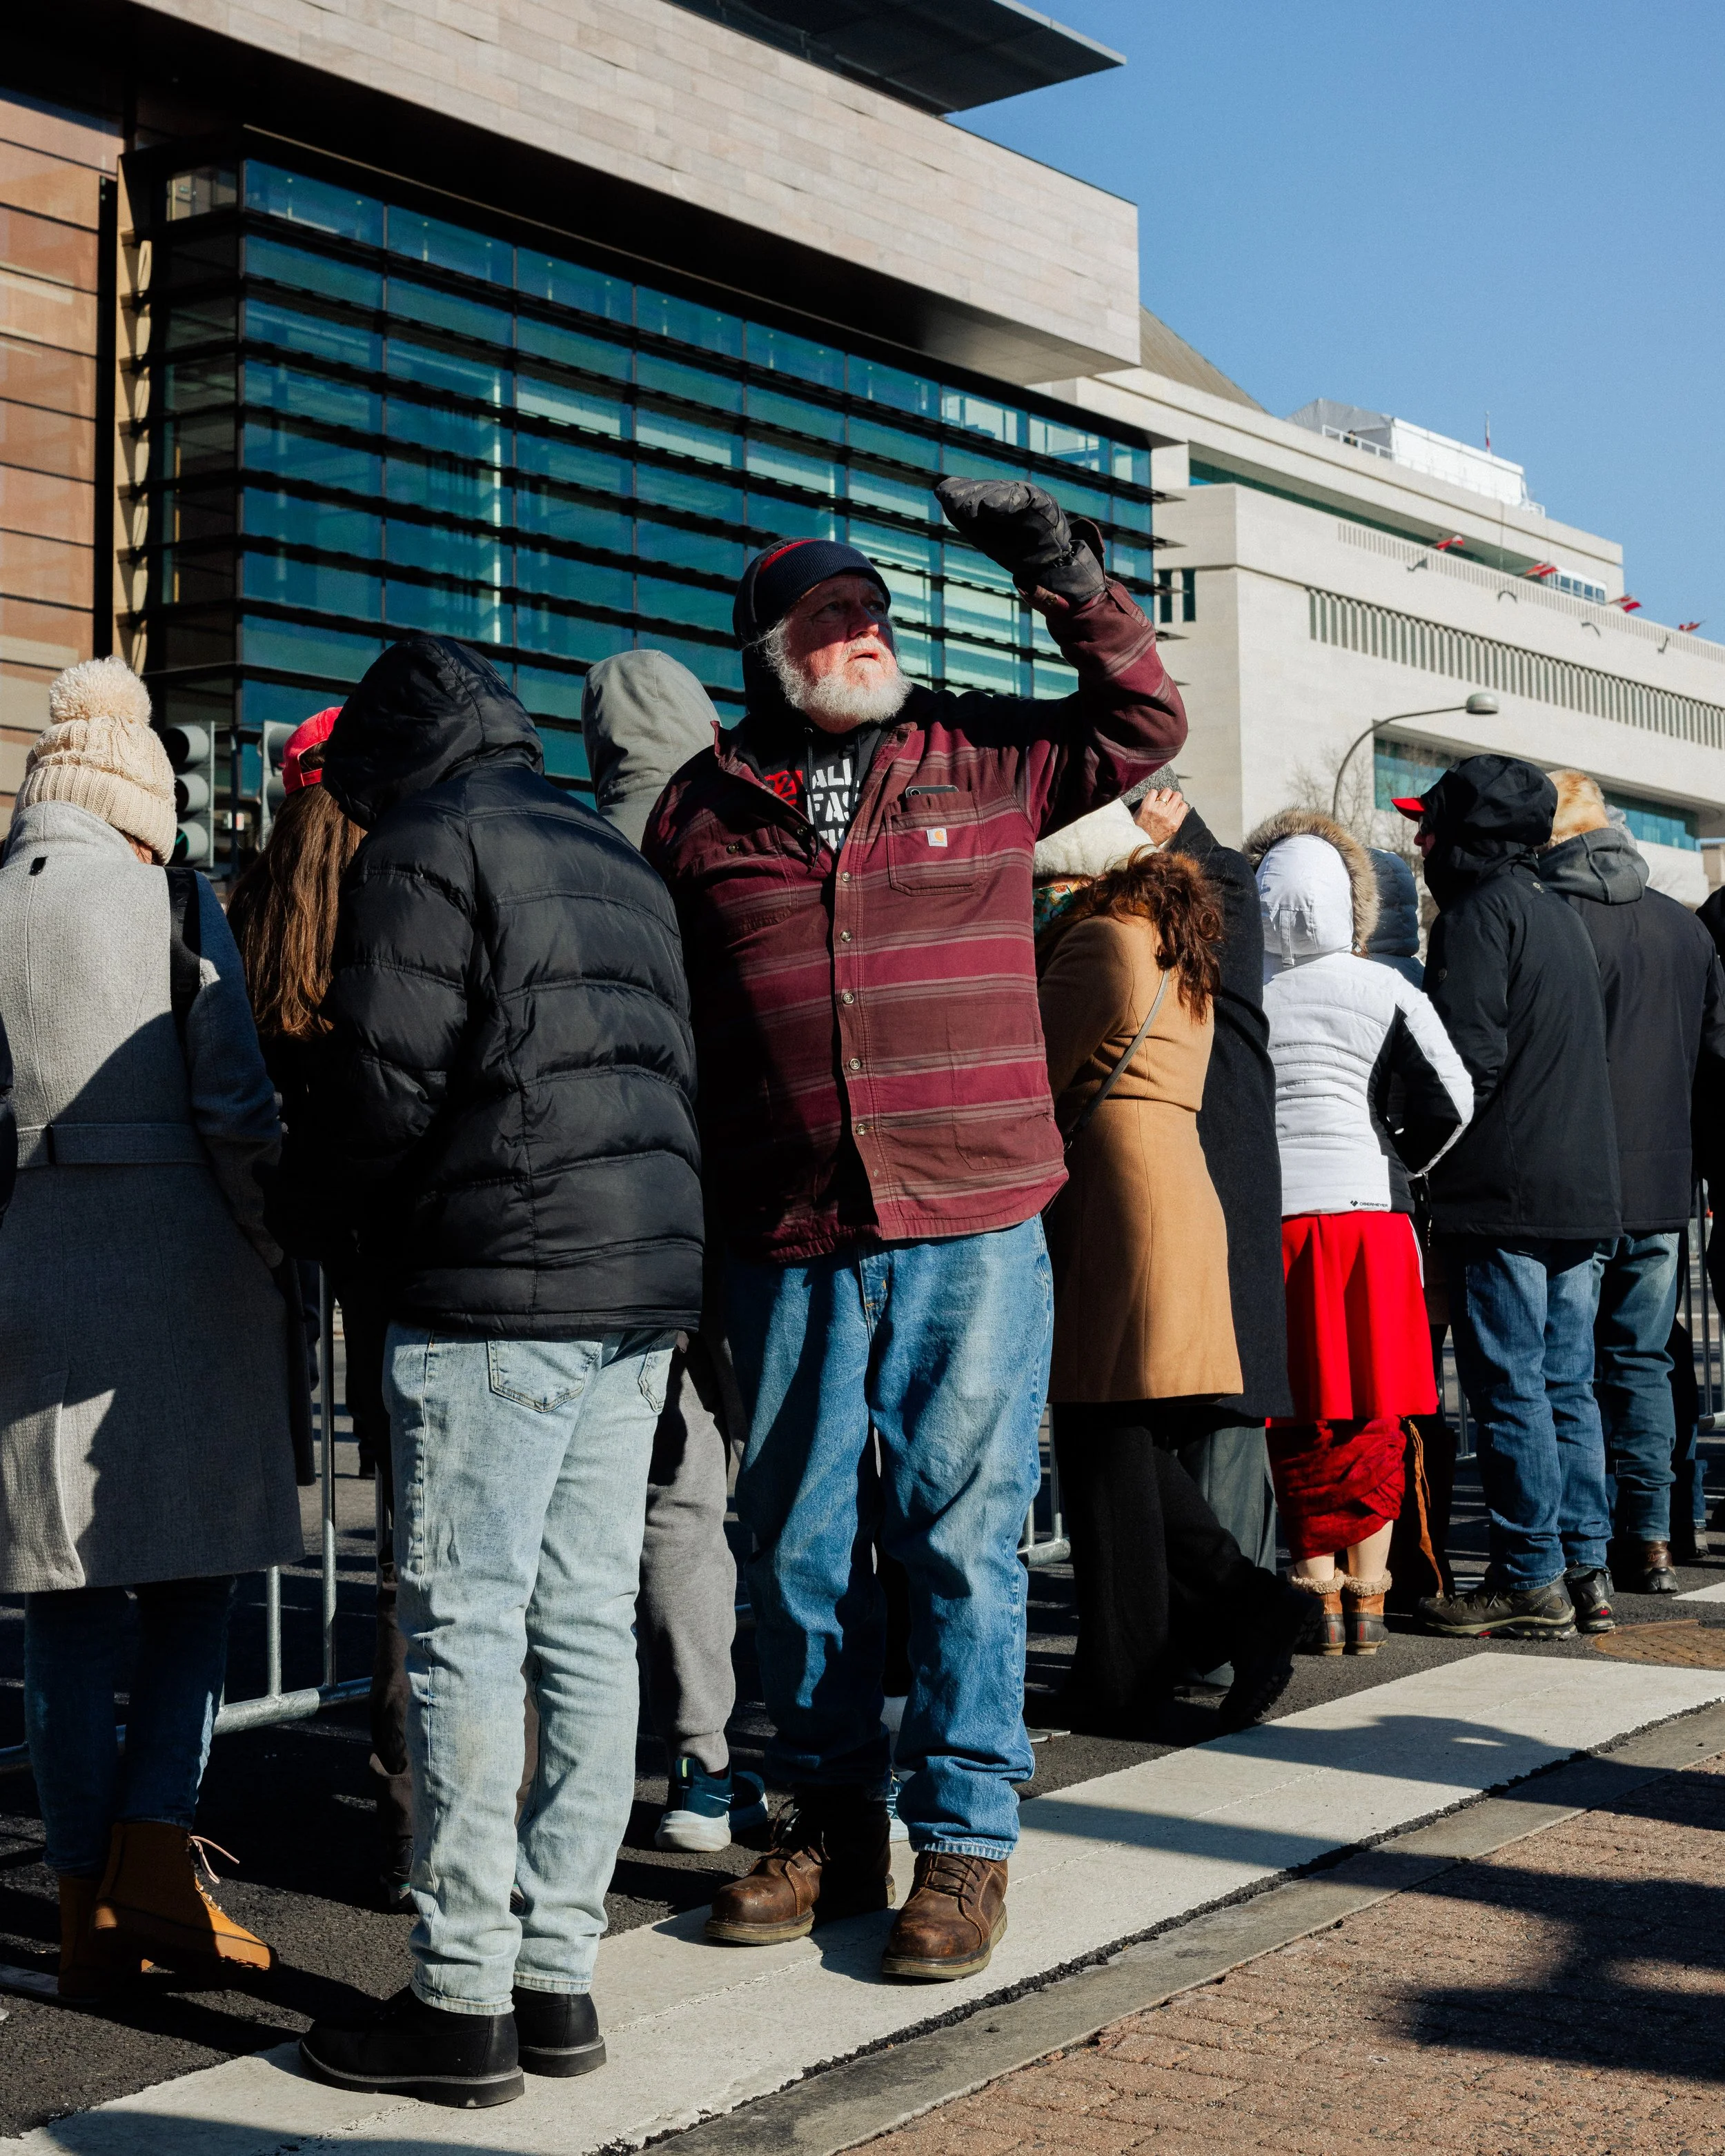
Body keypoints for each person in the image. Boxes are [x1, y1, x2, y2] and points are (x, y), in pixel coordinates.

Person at [645, 482, 1186, 1982]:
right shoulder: (697, 808)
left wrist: (1055, 566)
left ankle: (963, 1841)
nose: (862, 627)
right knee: (800, 1545)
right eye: (828, 612)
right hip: (788, 1230)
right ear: (768, 647)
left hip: (970, 1216)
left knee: (959, 1536)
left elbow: (1142, 722)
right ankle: (827, 1822)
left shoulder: (983, 751)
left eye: (871, 605)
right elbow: (680, 1029)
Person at [294, 635, 704, 2108]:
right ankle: (556, 1977)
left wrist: (315, 1210)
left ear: (390, 756)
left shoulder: (426, 837)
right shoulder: (606, 849)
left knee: (466, 1621)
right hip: (633, 1278)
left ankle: (458, 1996)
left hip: (492, 1279)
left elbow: (382, 1077)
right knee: (582, 1624)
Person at [0, 656, 301, 1999]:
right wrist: (269, 1238)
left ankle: (77, 1908)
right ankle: (155, 1870)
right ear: (143, 798)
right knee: (191, 1586)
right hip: (184, 1268)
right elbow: (235, 1100)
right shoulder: (172, 895)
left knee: (65, 1604)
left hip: (29, 1266)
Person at [1034, 800, 1307, 1731]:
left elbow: (1035, 1068)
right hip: (1165, 1190)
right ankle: (1158, 1651)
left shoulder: (1101, 941)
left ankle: (1201, 1630)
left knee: (1102, 1438)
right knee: (1127, 1446)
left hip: (1116, 1197)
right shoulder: (1168, 937)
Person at [226, 706, 417, 1903]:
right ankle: (446, 1814)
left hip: (324, 1248)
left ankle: (403, 1815)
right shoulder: (402, 889)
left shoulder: (249, 907)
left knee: (399, 1545)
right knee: (440, 1542)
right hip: (421, 1243)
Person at [581, 649, 765, 1852]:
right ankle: (707, 1764)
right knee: (691, 1501)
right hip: (708, 1217)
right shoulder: (721, 849)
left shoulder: (556, 849)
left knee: (575, 1526)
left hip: (564, 1228)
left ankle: (580, 1788)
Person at [1397, 755, 1624, 1641]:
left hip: (1506, 1192)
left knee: (1513, 1388)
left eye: (1431, 824)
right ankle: (1582, 1566)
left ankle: (1530, 1573)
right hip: (1575, 1189)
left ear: (1467, 836)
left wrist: (1412, 1151)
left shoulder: (1476, 916)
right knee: (1565, 1383)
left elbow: (1467, 1067)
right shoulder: (1554, 911)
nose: (1419, 840)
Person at [1248, 810, 1473, 1651]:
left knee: (1295, 1409)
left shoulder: (1241, 989)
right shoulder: (1386, 987)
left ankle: (1312, 1582)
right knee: (1373, 1409)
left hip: (1275, 1220)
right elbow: (1453, 1103)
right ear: (1353, 900)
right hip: (1370, 1218)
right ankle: (1369, 1595)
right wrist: (1397, 1160)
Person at [1538, 771, 1725, 1591]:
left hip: (1574, 1175)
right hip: (1662, 1177)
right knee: (1641, 1360)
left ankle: (1589, 1540)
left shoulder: (1552, 919)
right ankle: (1650, 1534)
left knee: (1570, 1366)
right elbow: (1711, 1056)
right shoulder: (1683, 931)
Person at [1131, 787, 1292, 1594]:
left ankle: (1233, 1617)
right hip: (1190, 1173)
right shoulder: (1199, 879)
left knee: (1216, 1412)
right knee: (1186, 1411)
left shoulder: (1215, 878)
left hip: (1209, 1169)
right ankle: (1223, 1617)